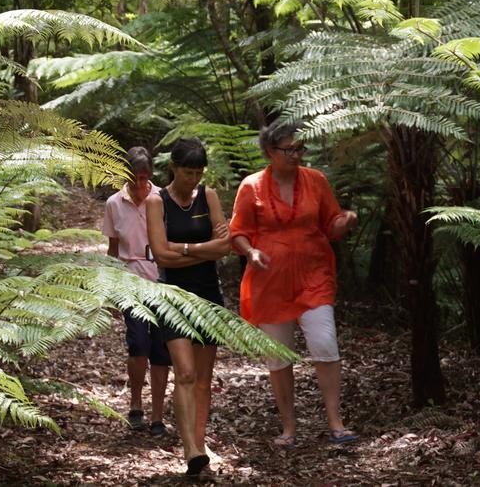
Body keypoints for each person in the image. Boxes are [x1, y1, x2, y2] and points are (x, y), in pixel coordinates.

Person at [229, 122, 360, 448]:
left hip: (313, 276)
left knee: (325, 343)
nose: (298, 155)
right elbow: (238, 231)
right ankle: (289, 428)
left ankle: (336, 422)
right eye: (290, 150)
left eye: (301, 148)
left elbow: (332, 225)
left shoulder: (316, 181)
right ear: (271, 151)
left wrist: (347, 220)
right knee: (279, 356)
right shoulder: (252, 186)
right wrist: (251, 250)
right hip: (270, 282)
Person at [145, 138, 231, 478]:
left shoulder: (208, 196)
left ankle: (200, 449)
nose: (192, 179)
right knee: (184, 372)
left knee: (203, 380)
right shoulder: (157, 201)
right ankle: (191, 451)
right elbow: (161, 255)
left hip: (208, 294)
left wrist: (183, 249)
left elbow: (224, 247)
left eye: (198, 172)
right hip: (174, 297)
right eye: (187, 172)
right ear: (173, 168)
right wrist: (200, 248)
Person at [102, 146, 171, 436]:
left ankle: (157, 415)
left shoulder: (162, 199)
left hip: (163, 280)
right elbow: (112, 250)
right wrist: (109, 290)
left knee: (161, 349)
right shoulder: (114, 203)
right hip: (130, 281)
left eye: (145, 178)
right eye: (135, 179)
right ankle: (135, 405)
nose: (141, 185)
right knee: (138, 344)